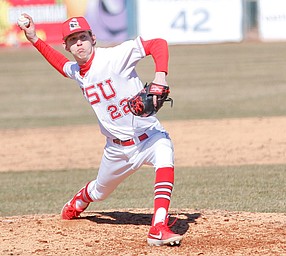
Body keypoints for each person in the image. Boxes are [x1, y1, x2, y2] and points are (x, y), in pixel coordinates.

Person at [18, 14, 182, 246]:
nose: (79, 43)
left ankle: (158, 227)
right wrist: (34, 38)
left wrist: (160, 77)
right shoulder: (78, 71)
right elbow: (61, 65)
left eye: (83, 37)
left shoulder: (115, 56)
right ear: (66, 45)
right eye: (73, 40)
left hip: (149, 137)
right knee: (99, 192)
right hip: (116, 150)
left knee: (165, 154)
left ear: (93, 38)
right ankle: (80, 199)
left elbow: (158, 44)